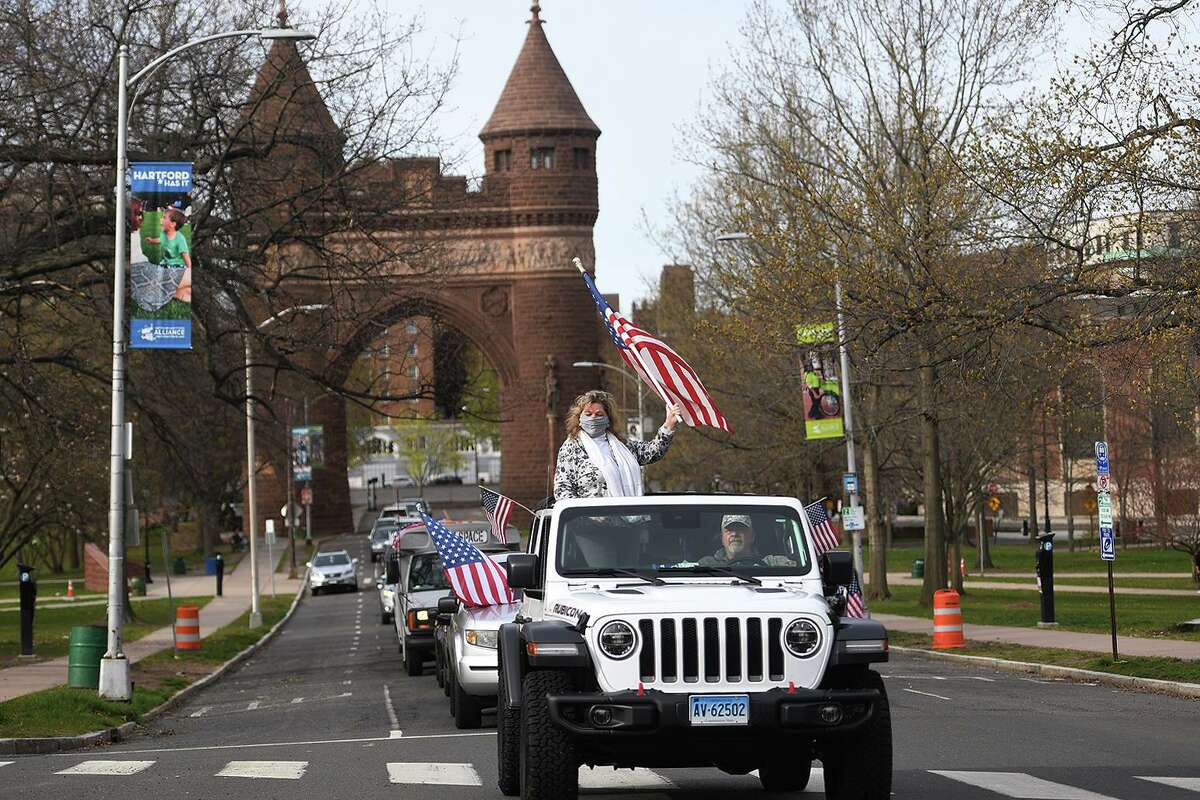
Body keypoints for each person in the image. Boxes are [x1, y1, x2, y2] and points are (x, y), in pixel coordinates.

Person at [553, 390, 681, 500]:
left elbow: (653, 452)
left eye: (599, 414)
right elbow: (562, 489)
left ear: (608, 419)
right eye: (588, 414)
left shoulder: (623, 446)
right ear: (579, 418)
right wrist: (584, 515)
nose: (593, 418)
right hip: (591, 524)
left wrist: (669, 424)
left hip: (629, 521)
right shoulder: (571, 449)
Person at [698, 515, 794, 567]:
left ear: (752, 536)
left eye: (741, 529)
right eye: (729, 530)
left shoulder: (771, 563)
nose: (735, 534)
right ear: (721, 538)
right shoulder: (707, 565)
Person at [146, 208, 192, 303]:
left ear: (172, 224)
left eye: (164, 218)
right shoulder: (164, 234)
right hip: (165, 264)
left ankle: (177, 291)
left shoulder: (180, 239)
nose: (160, 220)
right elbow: (160, 239)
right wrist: (152, 240)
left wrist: (188, 272)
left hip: (177, 266)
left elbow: (187, 259)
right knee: (151, 278)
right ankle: (174, 292)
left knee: (164, 282)